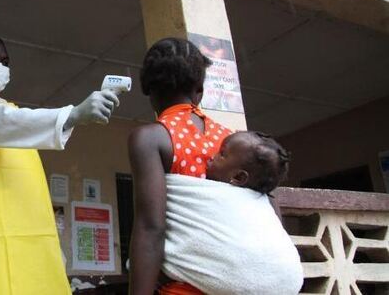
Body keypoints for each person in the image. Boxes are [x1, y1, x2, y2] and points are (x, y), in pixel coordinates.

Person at [0, 35, 120, 295]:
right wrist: (71, 115)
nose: (0, 67)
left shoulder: (12, 112)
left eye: (5, 62)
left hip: (27, 230)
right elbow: (0, 122)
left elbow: (13, 122)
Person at [128, 38, 301, 295]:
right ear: (199, 89)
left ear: (147, 89)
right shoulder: (234, 142)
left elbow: (151, 227)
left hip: (188, 286)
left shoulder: (150, 138)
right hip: (246, 279)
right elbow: (262, 204)